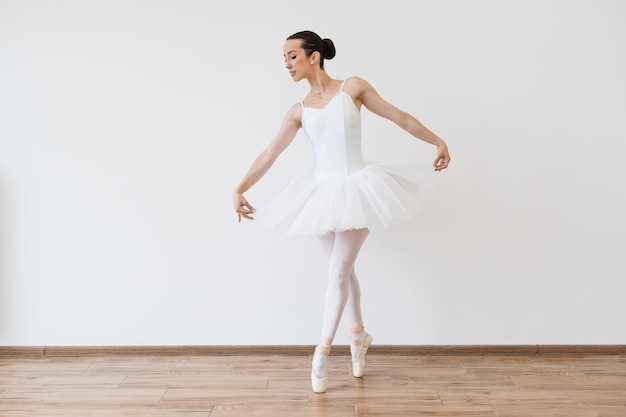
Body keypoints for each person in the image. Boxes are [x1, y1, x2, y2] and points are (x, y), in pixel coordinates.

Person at [233, 31, 450, 393]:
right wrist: (240, 187)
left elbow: (399, 116)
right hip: (319, 195)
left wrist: (437, 140)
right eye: (284, 59)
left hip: (358, 189)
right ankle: (358, 336)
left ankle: (322, 351)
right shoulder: (298, 111)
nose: (287, 65)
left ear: (314, 56)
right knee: (343, 271)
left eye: (292, 57)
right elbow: (270, 154)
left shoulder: (353, 88)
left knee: (337, 272)